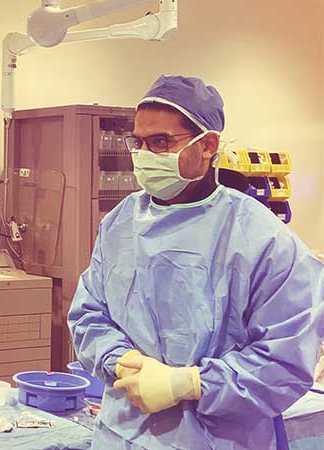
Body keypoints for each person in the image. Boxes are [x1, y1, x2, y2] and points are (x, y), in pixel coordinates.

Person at [68, 75, 324, 450]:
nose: (144, 154)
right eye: (137, 142)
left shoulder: (262, 238)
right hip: (119, 434)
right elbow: (88, 313)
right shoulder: (121, 223)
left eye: (160, 142)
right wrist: (121, 362)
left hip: (215, 439)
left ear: (207, 145)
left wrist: (188, 384)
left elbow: (285, 361)